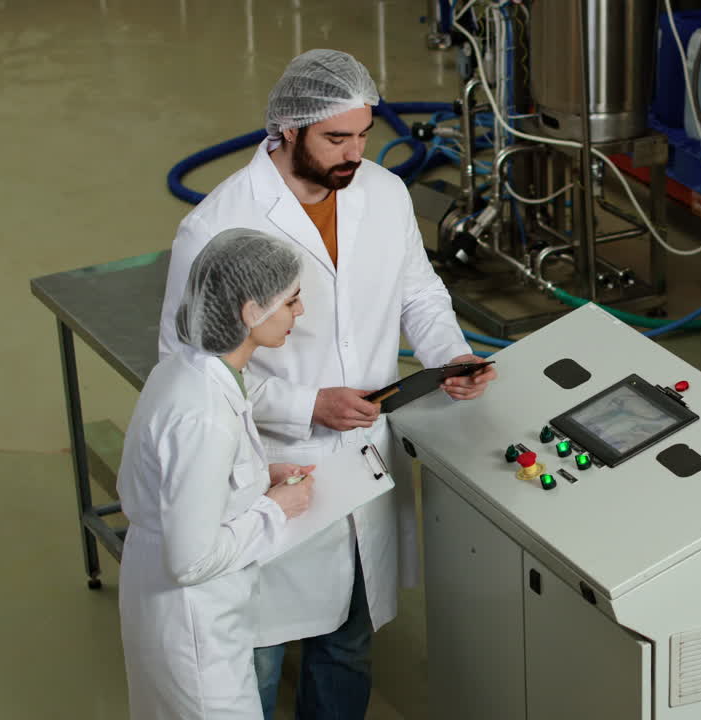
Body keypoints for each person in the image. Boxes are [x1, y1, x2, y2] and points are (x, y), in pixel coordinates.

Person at [157, 49, 498, 719]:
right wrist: (303, 403)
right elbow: (182, 365)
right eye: (335, 138)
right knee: (258, 648)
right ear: (287, 130)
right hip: (271, 465)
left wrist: (451, 355)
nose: (354, 153)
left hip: (365, 458)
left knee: (349, 639)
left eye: (363, 134)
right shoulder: (218, 226)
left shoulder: (382, 192)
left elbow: (417, 290)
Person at [119, 228, 316, 719]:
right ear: (251, 312)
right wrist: (275, 508)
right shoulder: (204, 412)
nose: (301, 312)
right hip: (191, 619)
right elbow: (190, 560)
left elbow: (182, 478)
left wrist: (254, 475)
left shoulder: (189, 368)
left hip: (170, 603)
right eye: (291, 301)